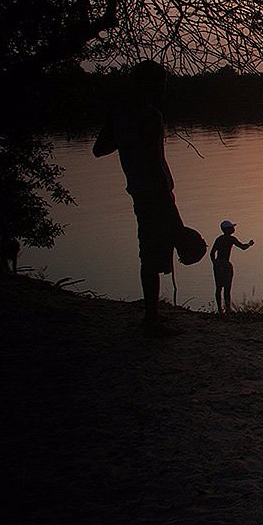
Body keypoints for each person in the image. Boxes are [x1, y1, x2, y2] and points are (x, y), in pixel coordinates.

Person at [92, 61, 189, 337]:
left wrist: (123, 134)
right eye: (161, 83)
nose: (164, 88)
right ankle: (151, 320)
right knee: (155, 251)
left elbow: (100, 149)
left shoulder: (120, 114)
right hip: (155, 191)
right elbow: (156, 162)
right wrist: (173, 212)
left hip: (137, 189)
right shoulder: (150, 115)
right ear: (151, 85)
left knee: (148, 248)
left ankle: (152, 315)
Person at [210, 220, 254, 313]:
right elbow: (243, 247)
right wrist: (249, 244)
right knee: (227, 288)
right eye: (232, 227)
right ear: (229, 229)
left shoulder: (219, 239)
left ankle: (220, 310)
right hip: (226, 264)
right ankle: (228, 310)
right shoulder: (231, 239)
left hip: (218, 264)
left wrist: (215, 263)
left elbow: (212, 253)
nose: (234, 229)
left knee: (218, 288)